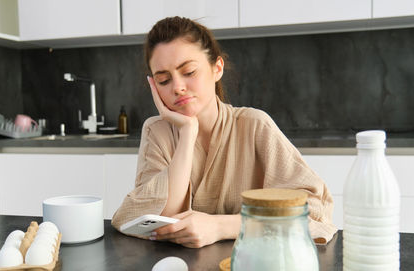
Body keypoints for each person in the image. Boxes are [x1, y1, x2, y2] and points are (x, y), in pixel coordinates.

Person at [111, 17, 336, 248]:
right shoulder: (157, 131)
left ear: (217, 68)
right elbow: (160, 219)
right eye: (164, 80)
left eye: (188, 72)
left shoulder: (254, 125)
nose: (177, 87)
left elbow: (311, 212)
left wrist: (222, 226)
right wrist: (188, 132)